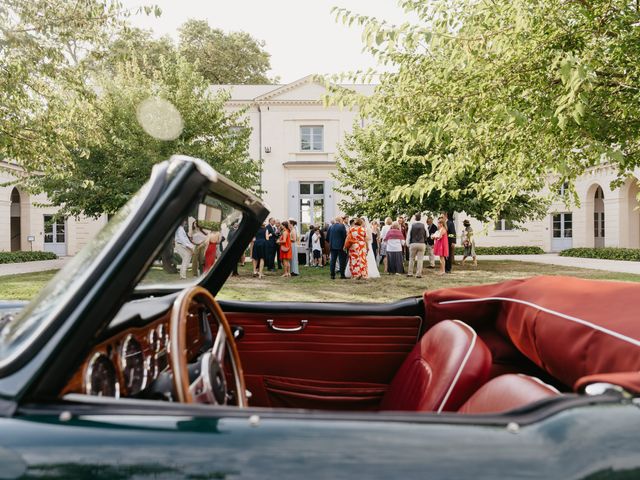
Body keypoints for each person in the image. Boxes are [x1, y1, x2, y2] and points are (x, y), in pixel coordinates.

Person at [407, 212, 427, 278]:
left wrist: (407, 243)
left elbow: (409, 235)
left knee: (411, 258)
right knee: (420, 259)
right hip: (422, 243)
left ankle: (410, 273)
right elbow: (428, 234)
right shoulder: (424, 225)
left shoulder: (411, 225)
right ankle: (418, 274)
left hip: (413, 243)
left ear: (415, 218)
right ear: (420, 218)